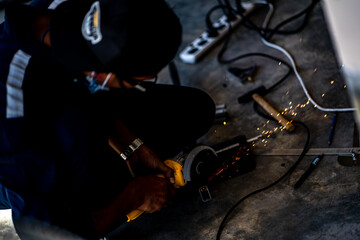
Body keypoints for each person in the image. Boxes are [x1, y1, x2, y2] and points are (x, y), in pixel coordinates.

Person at [0, 0, 215, 239]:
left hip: (60, 105)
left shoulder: (78, 23)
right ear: (100, 72)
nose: (142, 85)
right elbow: (46, 233)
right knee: (82, 196)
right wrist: (133, 196)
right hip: (13, 161)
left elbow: (89, 94)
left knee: (193, 110)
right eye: (134, 82)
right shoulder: (13, 114)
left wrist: (133, 147)